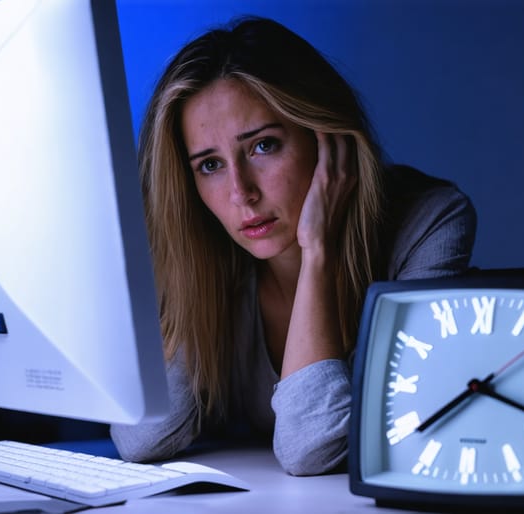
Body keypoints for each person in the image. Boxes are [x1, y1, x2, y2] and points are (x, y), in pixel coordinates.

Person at [110, 15, 476, 476]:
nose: (241, 193)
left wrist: (316, 251)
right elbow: (141, 439)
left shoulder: (429, 224)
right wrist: (186, 285)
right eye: (209, 165)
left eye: (263, 146)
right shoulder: (205, 248)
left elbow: (314, 448)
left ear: (328, 140)